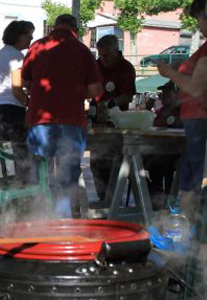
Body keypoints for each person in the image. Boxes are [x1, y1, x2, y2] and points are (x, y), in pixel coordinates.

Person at [22, 14, 102, 217]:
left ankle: (39, 220)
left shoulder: (37, 47)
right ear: (75, 29)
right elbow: (95, 90)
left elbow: (24, 81)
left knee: (40, 174)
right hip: (71, 121)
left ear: (54, 27)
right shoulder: (83, 50)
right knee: (67, 176)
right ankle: (62, 224)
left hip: (40, 121)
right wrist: (74, 92)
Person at [158, 0, 207, 220]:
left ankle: (199, 231)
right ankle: (192, 231)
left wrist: (170, 73)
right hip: (194, 121)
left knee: (196, 181)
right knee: (188, 182)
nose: (198, 25)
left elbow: (196, 88)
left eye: (199, 18)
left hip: (200, 121)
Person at [89, 34, 137, 203]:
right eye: (101, 55)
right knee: (95, 163)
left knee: (113, 164)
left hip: (117, 124)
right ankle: (103, 200)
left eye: (107, 55)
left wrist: (109, 105)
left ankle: (112, 202)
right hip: (97, 122)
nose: (104, 59)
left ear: (117, 51)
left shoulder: (126, 68)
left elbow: (128, 96)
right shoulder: (96, 66)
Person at [0, 20, 35, 183]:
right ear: (18, 36)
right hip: (12, 110)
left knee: (6, 153)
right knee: (19, 154)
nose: (31, 38)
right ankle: (22, 192)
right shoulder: (16, 56)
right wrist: (27, 102)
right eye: (28, 34)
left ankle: (6, 188)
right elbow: (16, 88)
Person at [144, 81, 183, 209]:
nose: (163, 96)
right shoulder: (160, 112)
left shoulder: (182, 111)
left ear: (178, 94)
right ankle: (155, 195)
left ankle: (163, 199)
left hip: (176, 153)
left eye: (167, 93)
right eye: (162, 94)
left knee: (161, 162)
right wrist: (146, 110)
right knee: (130, 163)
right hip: (156, 152)